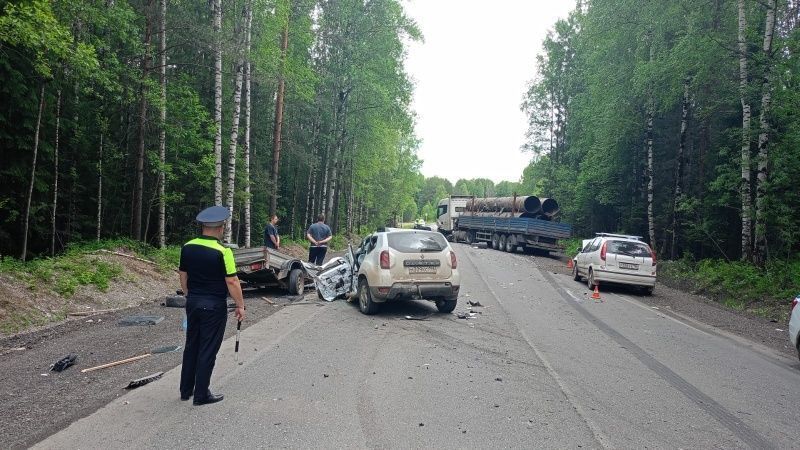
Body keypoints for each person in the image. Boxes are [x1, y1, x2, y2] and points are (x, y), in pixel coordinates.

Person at [178, 205, 246, 406]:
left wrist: (189, 295)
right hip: (214, 306)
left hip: (193, 302)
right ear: (221, 228)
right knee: (208, 348)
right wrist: (240, 305)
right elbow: (232, 281)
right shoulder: (223, 251)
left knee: (192, 345)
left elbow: (183, 275)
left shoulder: (187, 246)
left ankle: (185, 390)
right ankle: (201, 394)